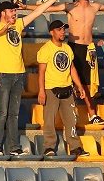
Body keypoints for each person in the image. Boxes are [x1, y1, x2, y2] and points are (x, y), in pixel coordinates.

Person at [0, 0, 69, 155]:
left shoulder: (19, 24)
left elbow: (38, 12)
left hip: (19, 74)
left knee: (13, 114)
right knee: (2, 113)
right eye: (11, 11)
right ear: (3, 13)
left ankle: (14, 147)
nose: (15, 13)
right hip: (2, 75)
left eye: (15, 11)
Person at [37, 19, 89, 157]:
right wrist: (41, 91)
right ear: (51, 32)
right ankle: (49, 147)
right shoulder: (45, 49)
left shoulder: (67, 48)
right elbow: (41, 72)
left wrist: (79, 86)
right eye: (59, 29)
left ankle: (75, 147)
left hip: (67, 88)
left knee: (71, 120)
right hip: (51, 89)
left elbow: (72, 69)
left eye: (63, 29)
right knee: (49, 120)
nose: (62, 32)